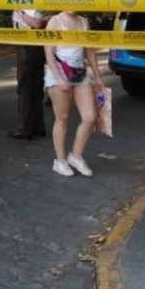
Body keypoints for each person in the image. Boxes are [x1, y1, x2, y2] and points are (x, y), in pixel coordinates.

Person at [44, 11, 104, 177]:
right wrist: (58, 78)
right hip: (59, 72)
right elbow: (48, 52)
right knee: (62, 118)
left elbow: (89, 50)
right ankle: (60, 160)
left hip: (79, 72)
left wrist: (98, 76)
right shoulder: (55, 21)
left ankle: (76, 156)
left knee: (90, 117)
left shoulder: (84, 22)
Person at [9, 0, 47, 140]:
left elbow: (37, 23)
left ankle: (24, 128)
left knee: (26, 88)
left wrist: (21, 13)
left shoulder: (36, 2)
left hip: (30, 47)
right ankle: (37, 125)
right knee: (32, 87)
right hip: (23, 45)